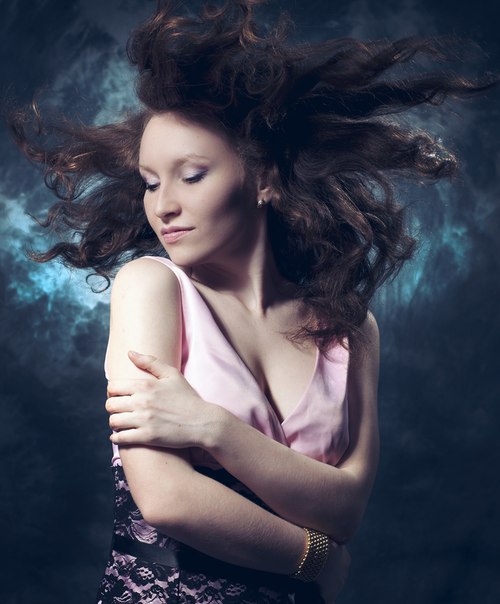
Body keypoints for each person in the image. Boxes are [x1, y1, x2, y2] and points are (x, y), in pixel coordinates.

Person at [8, 1, 494, 602]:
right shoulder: (152, 287)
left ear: (264, 179)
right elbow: (166, 498)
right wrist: (316, 558)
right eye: (150, 183)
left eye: (191, 175)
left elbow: (346, 510)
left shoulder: (350, 329)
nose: (163, 206)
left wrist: (212, 428)